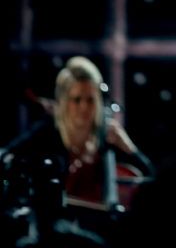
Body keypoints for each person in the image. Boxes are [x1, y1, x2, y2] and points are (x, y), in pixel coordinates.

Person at [1, 56, 152, 234]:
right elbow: (6, 155)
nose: (84, 107)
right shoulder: (49, 131)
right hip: (53, 228)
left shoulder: (108, 137)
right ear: (64, 102)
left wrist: (129, 148)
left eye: (90, 100)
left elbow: (152, 180)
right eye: (77, 99)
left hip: (100, 230)